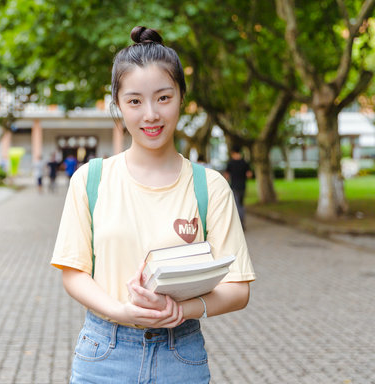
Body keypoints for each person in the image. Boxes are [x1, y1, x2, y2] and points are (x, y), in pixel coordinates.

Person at [51, 26, 255, 383]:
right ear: (117, 104)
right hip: (103, 354)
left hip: (181, 354)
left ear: (181, 98)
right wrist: (121, 310)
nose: (150, 115)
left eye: (163, 97)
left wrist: (179, 310)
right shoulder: (90, 179)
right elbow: (74, 273)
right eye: (134, 101)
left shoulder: (211, 187)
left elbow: (238, 289)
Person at [224, 145, 253, 230]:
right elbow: (249, 175)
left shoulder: (230, 163)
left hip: (234, 186)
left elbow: (226, 175)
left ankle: (239, 224)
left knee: (236, 205)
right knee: (241, 204)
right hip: (243, 186)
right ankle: (242, 222)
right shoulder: (245, 162)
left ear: (233, 153)